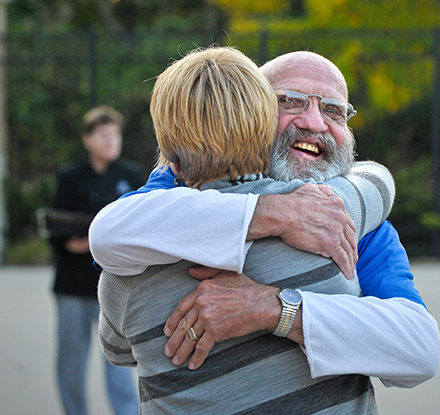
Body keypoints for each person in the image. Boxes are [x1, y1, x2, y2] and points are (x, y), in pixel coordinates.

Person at [96, 46, 401, 414]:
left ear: (169, 155)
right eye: (290, 102)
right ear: (264, 129)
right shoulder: (330, 229)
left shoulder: (129, 265)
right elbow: (376, 185)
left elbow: (116, 350)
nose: (315, 123)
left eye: (333, 110)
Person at [50, 106, 143, 415]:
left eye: (114, 134)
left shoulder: (131, 176)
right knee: (71, 362)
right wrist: (70, 242)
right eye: (103, 135)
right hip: (73, 285)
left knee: (120, 363)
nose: (110, 141)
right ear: (88, 139)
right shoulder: (70, 176)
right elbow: (55, 226)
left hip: (117, 287)